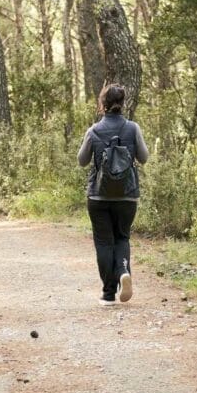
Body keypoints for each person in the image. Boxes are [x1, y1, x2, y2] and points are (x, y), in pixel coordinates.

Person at [77, 83, 149, 306]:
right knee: (122, 237)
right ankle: (123, 271)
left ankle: (108, 294)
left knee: (103, 242)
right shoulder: (133, 128)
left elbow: (82, 160)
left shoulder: (94, 130)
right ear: (123, 103)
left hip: (98, 196)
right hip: (127, 196)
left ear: (103, 104)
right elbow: (144, 157)